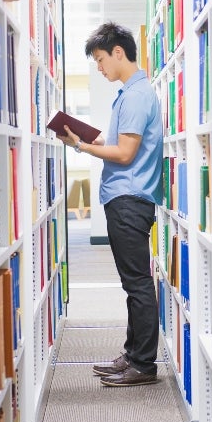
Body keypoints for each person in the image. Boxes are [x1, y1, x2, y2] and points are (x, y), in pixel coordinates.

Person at [56, 22, 164, 387]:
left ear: (119, 52)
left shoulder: (135, 95)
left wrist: (81, 147)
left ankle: (144, 365)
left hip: (130, 200)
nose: (100, 68)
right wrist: (83, 135)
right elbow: (115, 141)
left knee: (137, 284)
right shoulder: (129, 93)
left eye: (101, 60)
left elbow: (124, 152)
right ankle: (134, 354)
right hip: (127, 199)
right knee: (133, 283)